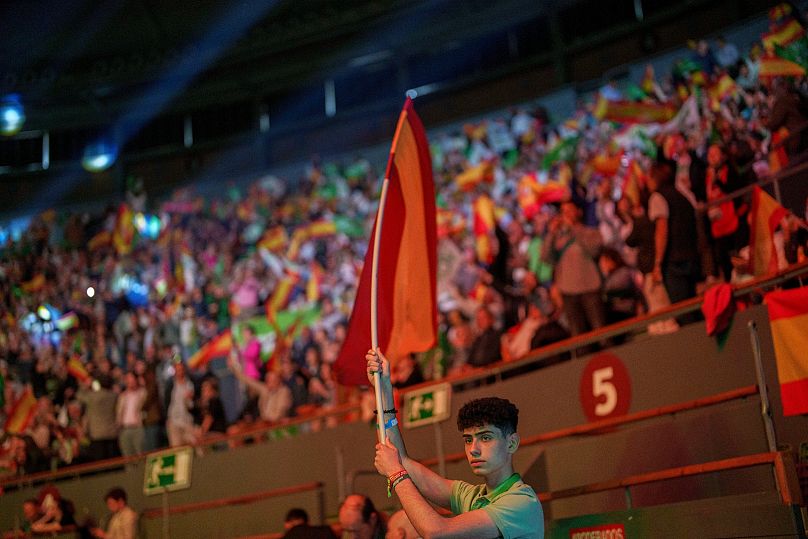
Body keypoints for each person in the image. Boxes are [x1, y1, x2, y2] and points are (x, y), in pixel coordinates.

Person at [366, 349, 544, 539]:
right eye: (468, 440)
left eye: (485, 438)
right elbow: (399, 460)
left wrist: (396, 474)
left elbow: (436, 532)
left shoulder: (521, 502)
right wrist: (384, 389)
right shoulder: (470, 496)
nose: (473, 450)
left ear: (512, 443)